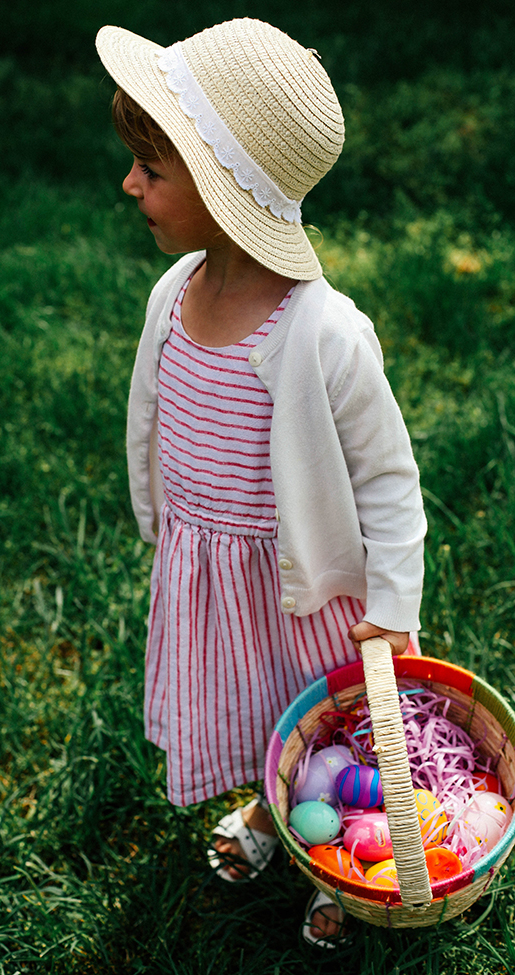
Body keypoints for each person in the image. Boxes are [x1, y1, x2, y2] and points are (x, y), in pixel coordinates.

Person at [95, 18, 426, 947]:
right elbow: (160, 421)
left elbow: (391, 481)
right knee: (245, 713)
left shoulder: (323, 333)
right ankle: (276, 815)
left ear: (222, 186)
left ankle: (345, 852)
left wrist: (395, 603)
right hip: (214, 581)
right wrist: (163, 520)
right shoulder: (173, 296)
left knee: (328, 727)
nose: (129, 184)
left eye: (151, 170)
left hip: (302, 594)